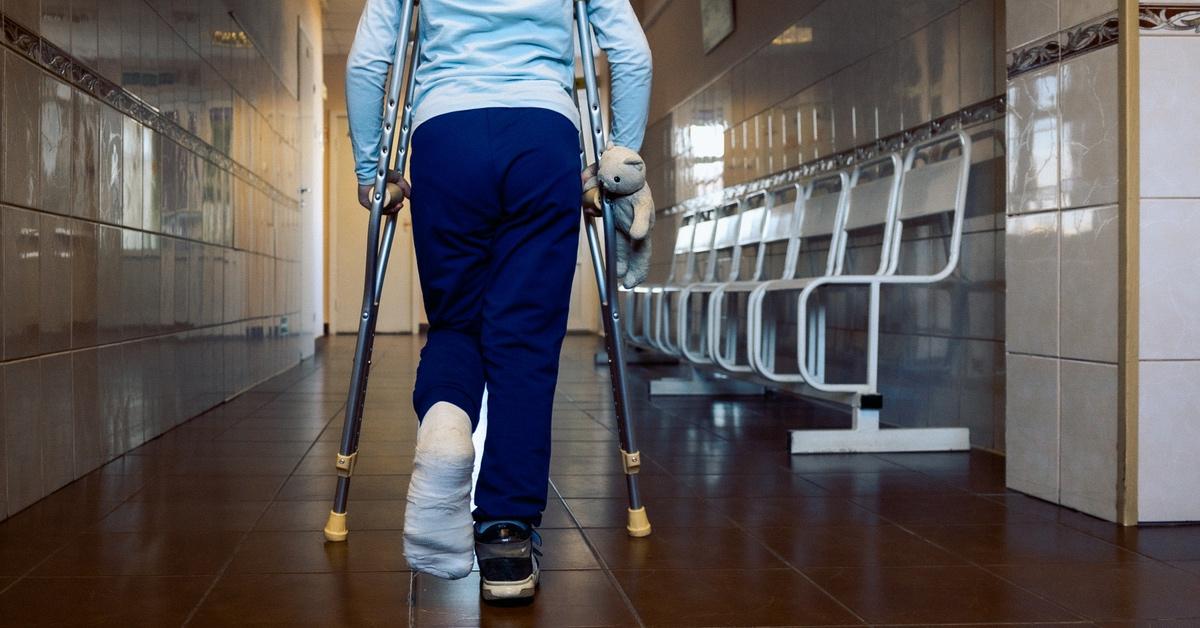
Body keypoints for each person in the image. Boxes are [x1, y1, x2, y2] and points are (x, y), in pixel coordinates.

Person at [345, 0, 651, 601]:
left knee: (457, 324)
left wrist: (370, 167)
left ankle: (445, 428)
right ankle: (506, 535)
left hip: (444, 137)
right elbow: (631, 54)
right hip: (543, 136)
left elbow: (367, 63)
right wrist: (621, 158)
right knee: (525, 340)